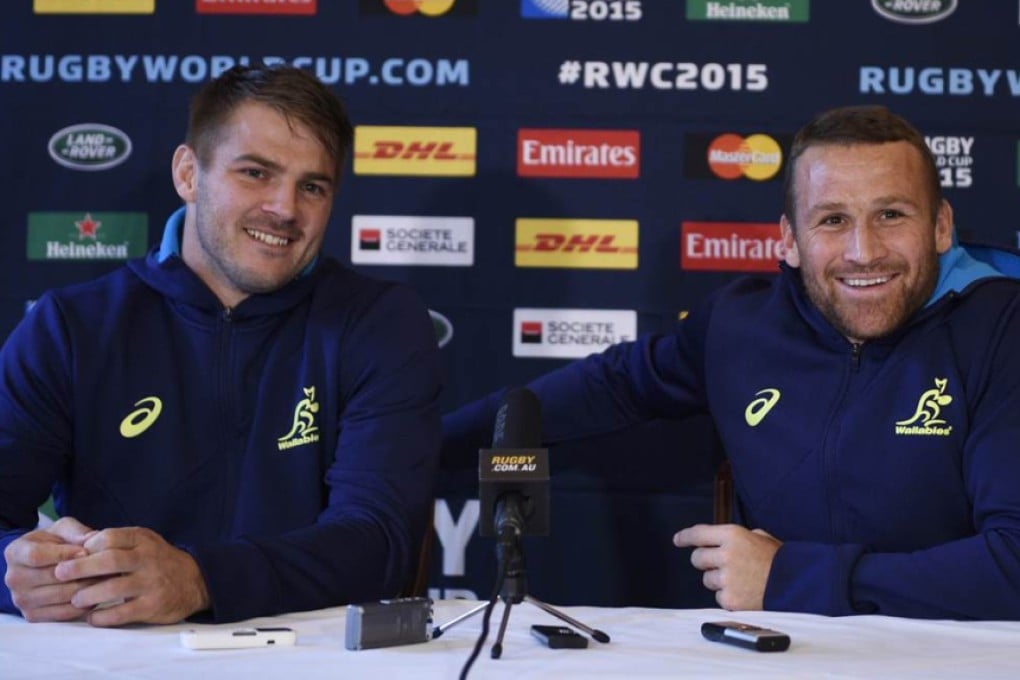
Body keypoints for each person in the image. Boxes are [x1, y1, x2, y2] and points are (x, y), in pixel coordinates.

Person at [444, 105, 1020, 620]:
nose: (863, 251)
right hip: (779, 651)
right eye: (832, 220)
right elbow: (609, 386)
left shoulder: (1000, 328)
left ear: (942, 226)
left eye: (891, 214)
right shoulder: (741, 324)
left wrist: (790, 578)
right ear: (789, 240)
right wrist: (420, 444)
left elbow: (1012, 566)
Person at [0, 65, 443, 626]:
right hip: (119, 658)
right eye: (256, 173)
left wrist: (199, 578)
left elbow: (381, 543)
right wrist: (20, 574)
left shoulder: (380, 322)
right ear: (189, 173)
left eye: (313, 185)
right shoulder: (71, 325)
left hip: (311, 661)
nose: (285, 208)